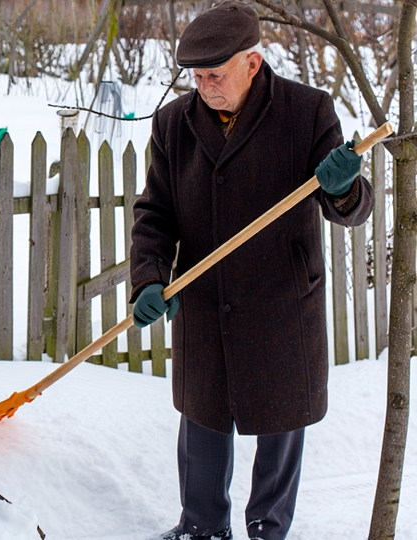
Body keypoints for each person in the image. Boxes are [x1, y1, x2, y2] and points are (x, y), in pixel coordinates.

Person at [129, 3, 372, 540]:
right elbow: (155, 212)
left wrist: (343, 186)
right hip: (204, 298)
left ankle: (268, 527)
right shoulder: (175, 123)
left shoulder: (307, 112)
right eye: (195, 76)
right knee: (202, 423)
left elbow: (351, 210)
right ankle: (201, 527)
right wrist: (148, 276)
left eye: (215, 74)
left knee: (281, 426)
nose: (204, 86)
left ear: (253, 64)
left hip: (280, 300)